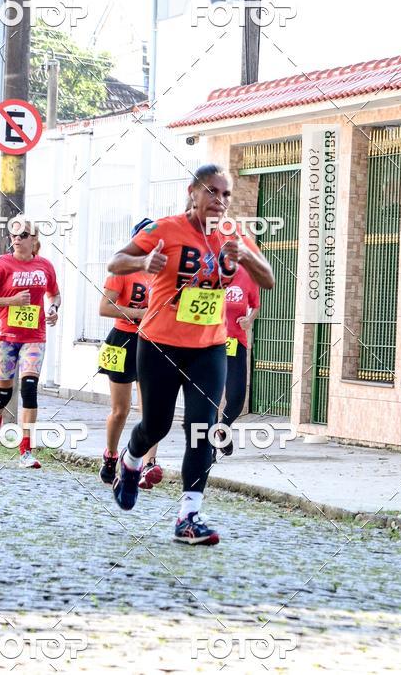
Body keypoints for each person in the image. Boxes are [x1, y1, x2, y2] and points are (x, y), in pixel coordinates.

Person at [107, 164, 274, 545]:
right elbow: (116, 261)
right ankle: (130, 462)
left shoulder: (234, 234)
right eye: (212, 191)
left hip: (209, 347)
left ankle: (189, 516)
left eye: (226, 194)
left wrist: (246, 258)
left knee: (202, 429)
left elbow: (268, 280)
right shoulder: (165, 229)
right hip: (160, 344)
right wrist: (142, 263)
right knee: (157, 425)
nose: (220, 200)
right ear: (193, 192)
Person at [0, 220, 61, 469]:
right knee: (3, 392)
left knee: (29, 389)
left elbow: (54, 294)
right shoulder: (2, 264)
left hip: (34, 335)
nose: (17, 238)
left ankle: (26, 450)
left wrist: (54, 308)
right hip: (4, 334)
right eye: (13, 234)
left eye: (23, 234)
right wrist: (11, 301)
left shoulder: (45, 265)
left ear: (34, 239)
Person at [98, 218, 162, 490]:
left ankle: (148, 464)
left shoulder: (163, 272)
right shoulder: (122, 270)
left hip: (153, 341)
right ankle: (111, 456)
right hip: (122, 340)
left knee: (152, 410)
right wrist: (139, 313)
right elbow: (105, 307)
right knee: (120, 410)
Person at [214, 260, 261, 458]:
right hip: (208, 344)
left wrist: (249, 319)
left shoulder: (247, 275)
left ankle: (222, 429)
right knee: (210, 397)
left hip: (235, 343)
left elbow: (255, 305)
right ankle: (208, 450)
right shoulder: (208, 275)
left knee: (237, 396)